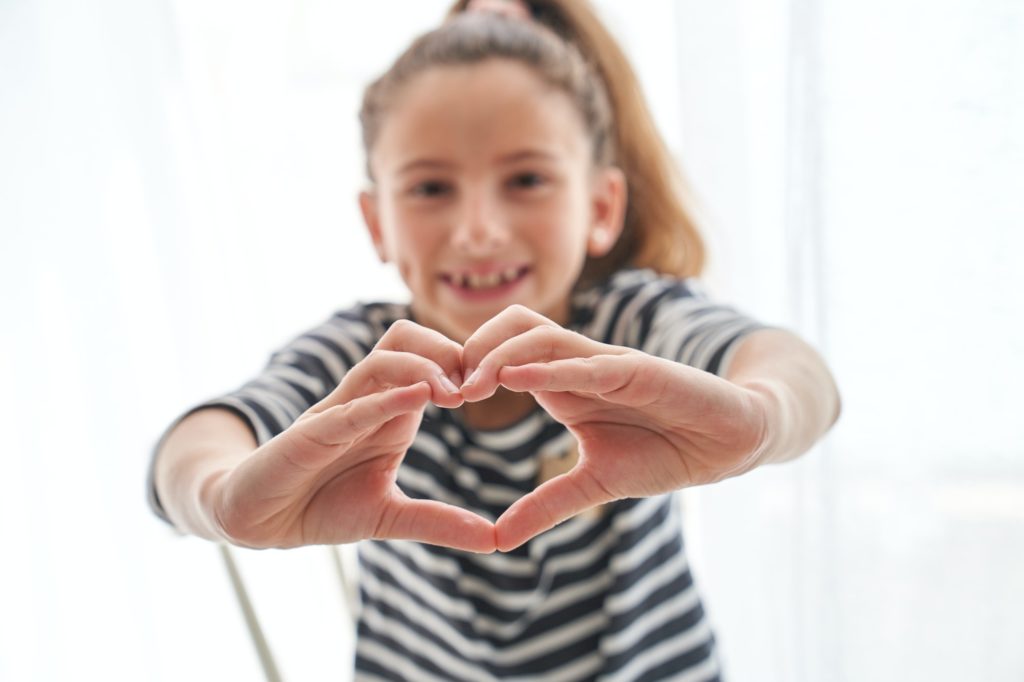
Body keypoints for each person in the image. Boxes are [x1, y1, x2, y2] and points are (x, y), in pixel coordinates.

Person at [149, 11, 840, 682]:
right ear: (376, 221)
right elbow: (204, 441)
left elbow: (793, 371)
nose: (478, 229)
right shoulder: (362, 357)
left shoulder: (631, 322)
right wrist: (217, 497)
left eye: (526, 180)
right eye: (430, 188)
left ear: (600, 208)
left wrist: (763, 419)